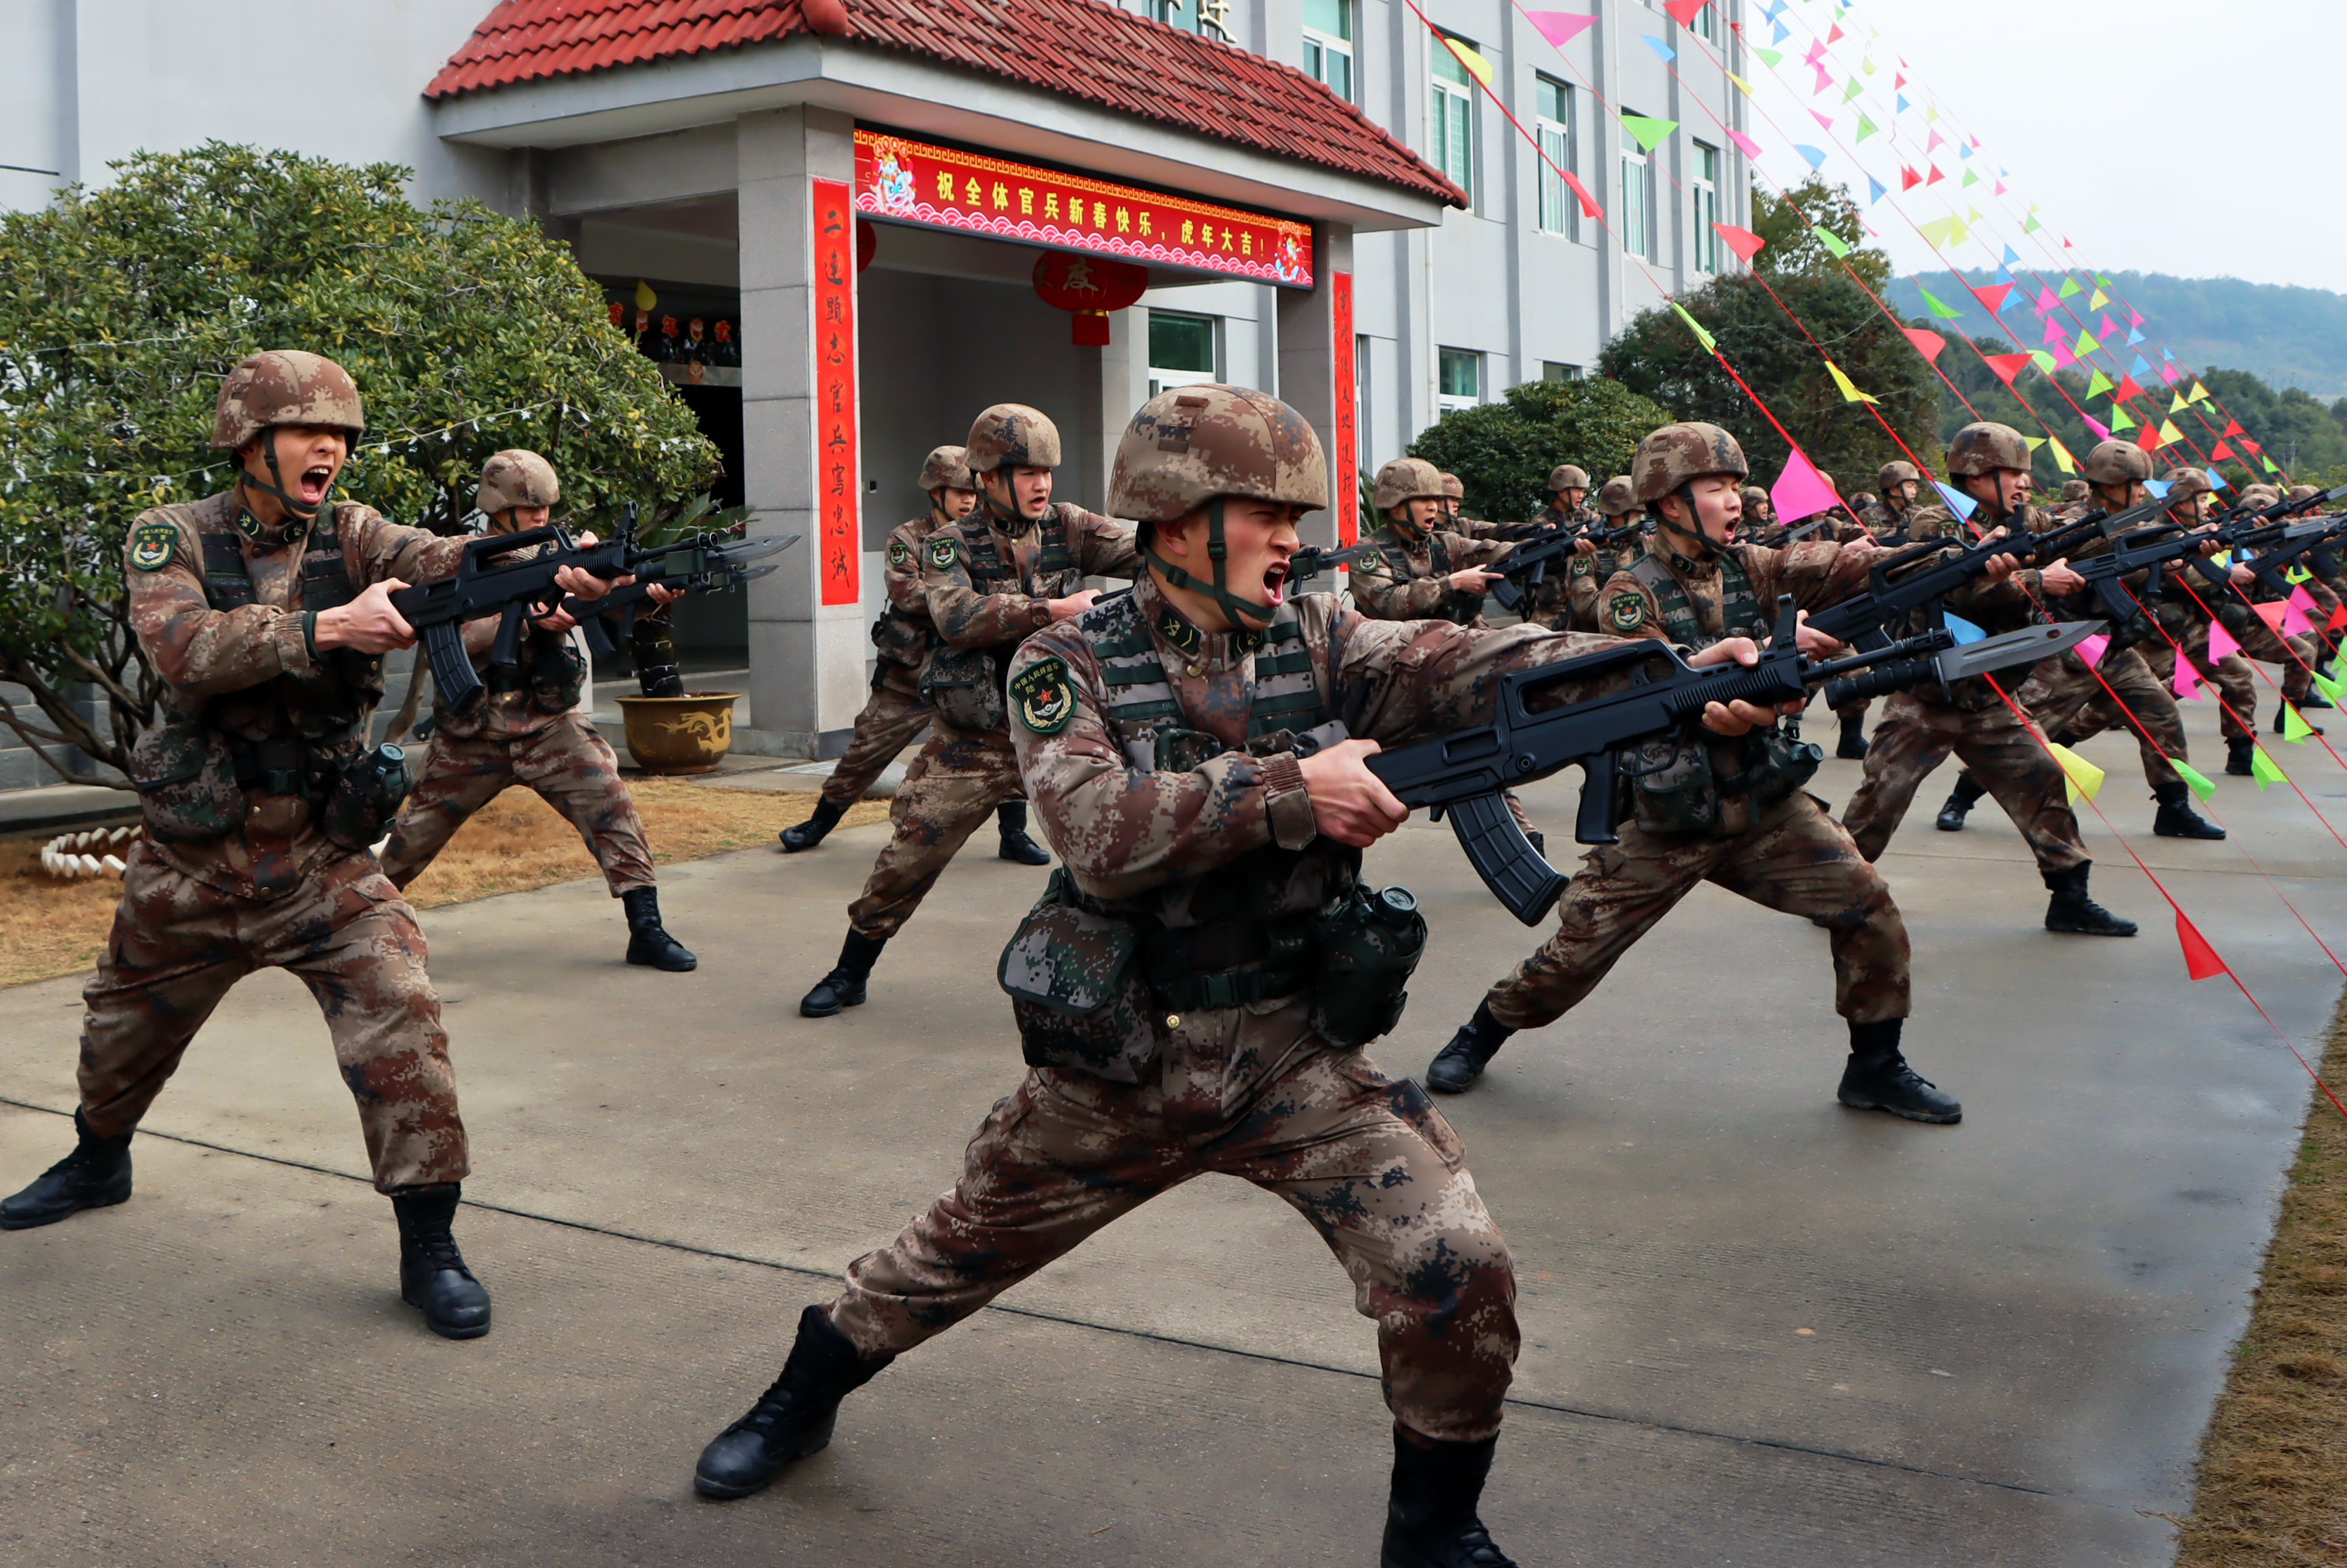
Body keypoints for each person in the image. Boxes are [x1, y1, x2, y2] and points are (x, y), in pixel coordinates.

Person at [685, 385, 1788, 1567]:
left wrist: (1658, 669)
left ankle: (1433, 1533)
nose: (1293, 537)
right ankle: (794, 1405)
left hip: (1293, 1055)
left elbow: (1472, 657)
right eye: (1266, 512)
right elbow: (1092, 830)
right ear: (1176, 521)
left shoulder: (1319, 635)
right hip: (1118, 1065)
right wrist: (1284, 791)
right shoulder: (1067, 658)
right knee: (938, 1262)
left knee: (1457, 1274)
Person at [0, 352, 625, 1338]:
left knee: (403, 1018)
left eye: (340, 433)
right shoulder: (173, 537)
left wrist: (540, 565)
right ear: (250, 443)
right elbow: (184, 650)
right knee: (119, 1033)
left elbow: (437, 558)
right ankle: (96, 1159)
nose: (328, 446)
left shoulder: (354, 533)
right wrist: (330, 627)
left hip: (322, 863)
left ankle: (431, 1242)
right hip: (193, 860)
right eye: (306, 430)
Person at [1423, 421, 1964, 1125]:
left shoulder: (1752, 566)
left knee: (1869, 906)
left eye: (1738, 486)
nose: (1734, 500)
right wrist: (1722, 669)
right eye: (1717, 487)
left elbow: (1840, 564)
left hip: (1761, 798)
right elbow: (1640, 685)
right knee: (1569, 960)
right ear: (1671, 502)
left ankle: (1875, 1066)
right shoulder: (1630, 590)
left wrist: (1946, 559)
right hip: (1665, 810)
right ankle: (1481, 1032)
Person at [795, 404, 1136, 1018]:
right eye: (1025, 471)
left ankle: (1139, 983)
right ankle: (851, 972)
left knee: (1121, 855)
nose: (1041, 484)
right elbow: (955, 617)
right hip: (974, 740)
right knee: (907, 858)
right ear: (985, 475)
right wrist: (1051, 612)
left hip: (1064, 732)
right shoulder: (947, 546)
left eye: (1046, 471)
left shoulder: (1069, 526)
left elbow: (1145, 550)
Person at [378, 450, 700, 968]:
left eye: (548, 507)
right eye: (530, 509)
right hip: (472, 732)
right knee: (409, 839)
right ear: (497, 508)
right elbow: (450, 633)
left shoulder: (560, 555)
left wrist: (647, 594)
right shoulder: (457, 561)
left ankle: (647, 929)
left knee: (612, 804)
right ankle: (344, 925)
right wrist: (526, 617)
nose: (542, 517)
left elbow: (602, 597)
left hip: (549, 725)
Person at [1837, 422, 2137, 936]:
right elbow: (1955, 587)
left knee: (2044, 780)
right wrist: (2040, 580)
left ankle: (2070, 896)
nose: (2024, 481)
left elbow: (2082, 537)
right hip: (1930, 692)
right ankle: (1839, 894)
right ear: (1974, 476)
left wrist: (2159, 540)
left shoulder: (2029, 519)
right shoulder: (1935, 523)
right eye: (2012, 472)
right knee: (1881, 795)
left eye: (2025, 471)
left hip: (1991, 696)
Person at [776, 446, 1048, 860]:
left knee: (1006, 743)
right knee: (868, 746)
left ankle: (1014, 834)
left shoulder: (991, 535)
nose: (968, 498)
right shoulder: (908, 537)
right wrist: (963, 600)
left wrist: (977, 603)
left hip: (972, 670)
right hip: (912, 668)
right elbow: (908, 593)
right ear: (936, 493)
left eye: (971, 490)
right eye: (958, 491)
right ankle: (820, 821)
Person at [1936, 450, 2221, 841]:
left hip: (2116, 646)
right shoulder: (2072, 524)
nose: (2142, 493)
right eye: (2135, 485)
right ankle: (1961, 799)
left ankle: (2174, 808)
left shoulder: (2144, 527)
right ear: (2110, 485)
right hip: (2069, 649)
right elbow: (2057, 558)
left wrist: (2181, 554)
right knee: (2027, 732)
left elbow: (2146, 565)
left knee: (2162, 715)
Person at [1350, 458, 1514, 626]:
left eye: (1435, 499)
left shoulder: (1447, 543)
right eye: (1423, 500)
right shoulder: (1368, 552)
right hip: (1397, 647)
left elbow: (1495, 552)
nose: (1433, 507)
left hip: (1456, 642)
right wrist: (1453, 583)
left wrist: (1535, 547)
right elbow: (1390, 604)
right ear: (1394, 505)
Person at [1860, 461, 1924, 538]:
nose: (1914, 492)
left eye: (1915, 487)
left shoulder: (1916, 514)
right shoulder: (1871, 515)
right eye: (1910, 486)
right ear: (1893, 490)